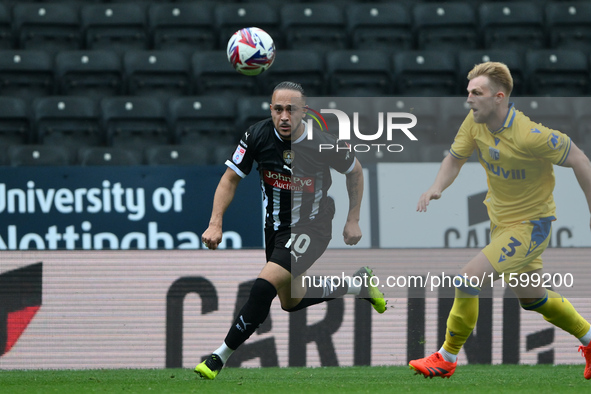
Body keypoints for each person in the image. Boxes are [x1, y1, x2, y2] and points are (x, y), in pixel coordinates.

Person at [409, 62, 591, 379]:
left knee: (467, 280)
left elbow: (578, 157)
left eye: (476, 93)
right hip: (501, 226)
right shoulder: (475, 122)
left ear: (498, 97)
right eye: (467, 92)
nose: (468, 99)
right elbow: (454, 158)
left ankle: (446, 357)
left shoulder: (530, 135)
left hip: (532, 226)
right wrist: (436, 187)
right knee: (534, 299)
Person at [196, 81, 386, 379]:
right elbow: (230, 178)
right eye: (278, 109)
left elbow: (355, 172)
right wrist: (215, 222)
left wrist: (353, 219)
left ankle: (219, 357)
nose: (284, 116)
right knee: (291, 301)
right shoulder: (256, 135)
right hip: (275, 230)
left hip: (313, 226)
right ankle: (357, 285)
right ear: (271, 110)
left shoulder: (324, 142)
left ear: (304, 112)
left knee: (262, 288)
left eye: (291, 110)